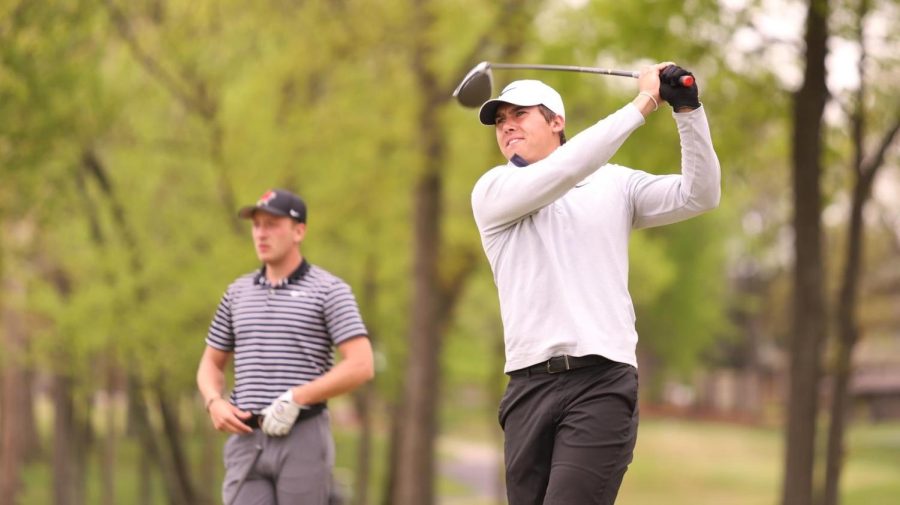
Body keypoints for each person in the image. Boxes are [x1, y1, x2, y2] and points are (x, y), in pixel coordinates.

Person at [470, 63, 721, 505]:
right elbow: (565, 170)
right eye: (500, 122)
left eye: (519, 115)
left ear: (556, 121)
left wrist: (686, 110)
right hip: (527, 389)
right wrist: (643, 103)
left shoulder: (615, 184)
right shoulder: (494, 190)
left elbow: (699, 195)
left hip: (601, 384)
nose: (506, 126)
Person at [197, 188, 374, 505]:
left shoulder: (329, 290)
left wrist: (297, 397)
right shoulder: (237, 293)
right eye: (257, 225)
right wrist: (214, 402)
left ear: (299, 231)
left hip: (303, 436)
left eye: (272, 224)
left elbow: (361, 364)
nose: (261, 234)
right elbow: (210, 364)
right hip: (246, 438)